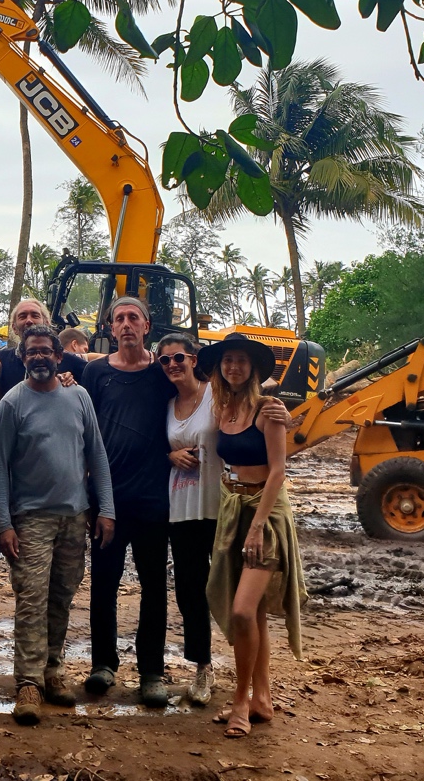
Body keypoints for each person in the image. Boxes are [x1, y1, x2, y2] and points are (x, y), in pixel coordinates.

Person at [0, 326, 115, 727]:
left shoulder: (78, 397)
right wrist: (4, 523)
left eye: (46, 351)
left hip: (74, 516)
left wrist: (106, 507)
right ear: (23, 358)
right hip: (31, 519)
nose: (39, 357)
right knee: (31, 599)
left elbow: (96, 451)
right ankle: (27, 682)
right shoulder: (12, 402)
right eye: (32, 352)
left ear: (59, 357)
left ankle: (52, 669)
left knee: (61, 595)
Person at [199, 332, 303, 739]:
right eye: (227, 361)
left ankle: (240, 699)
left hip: (266, 516)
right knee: (254, 612)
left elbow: (278, 471)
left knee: (242, 610)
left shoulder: (268, 410)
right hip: (233, 511)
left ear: (253, 368)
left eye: (241, 361)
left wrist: (258, 525)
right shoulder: (223, 408)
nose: (234, 367)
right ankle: (262, 697)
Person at [80, 296, 177, 708]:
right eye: (118, 319)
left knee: (153, 586)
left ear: (147, 326)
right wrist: (93, 499)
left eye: (133, 317)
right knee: (104, 582)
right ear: (109, 327)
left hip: (155, 498)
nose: (126, 325)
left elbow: (202, 395)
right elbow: (85, 430)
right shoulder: (95, 371)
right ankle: (103, 663)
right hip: (108, 499)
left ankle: (152, 671)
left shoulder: (163, 374)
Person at [158, 333, 220, 707]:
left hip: (219, 505)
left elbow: (252, 405)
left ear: (194, 359)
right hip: (181, 509)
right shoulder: (166, 404)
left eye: (178, 357)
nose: (172, 365)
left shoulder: (217, 395)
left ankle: (251, 670)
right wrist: (170, 456)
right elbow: (162, 447)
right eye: (164, 361)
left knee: (229, 589)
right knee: (190, 592)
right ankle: (203, 666)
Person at [0, 299, 85, 402]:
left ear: (47, 323)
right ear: (14, 327)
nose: (29, 321)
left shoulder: (67, 360)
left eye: (35, 315)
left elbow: (97, 370)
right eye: (23, 316)